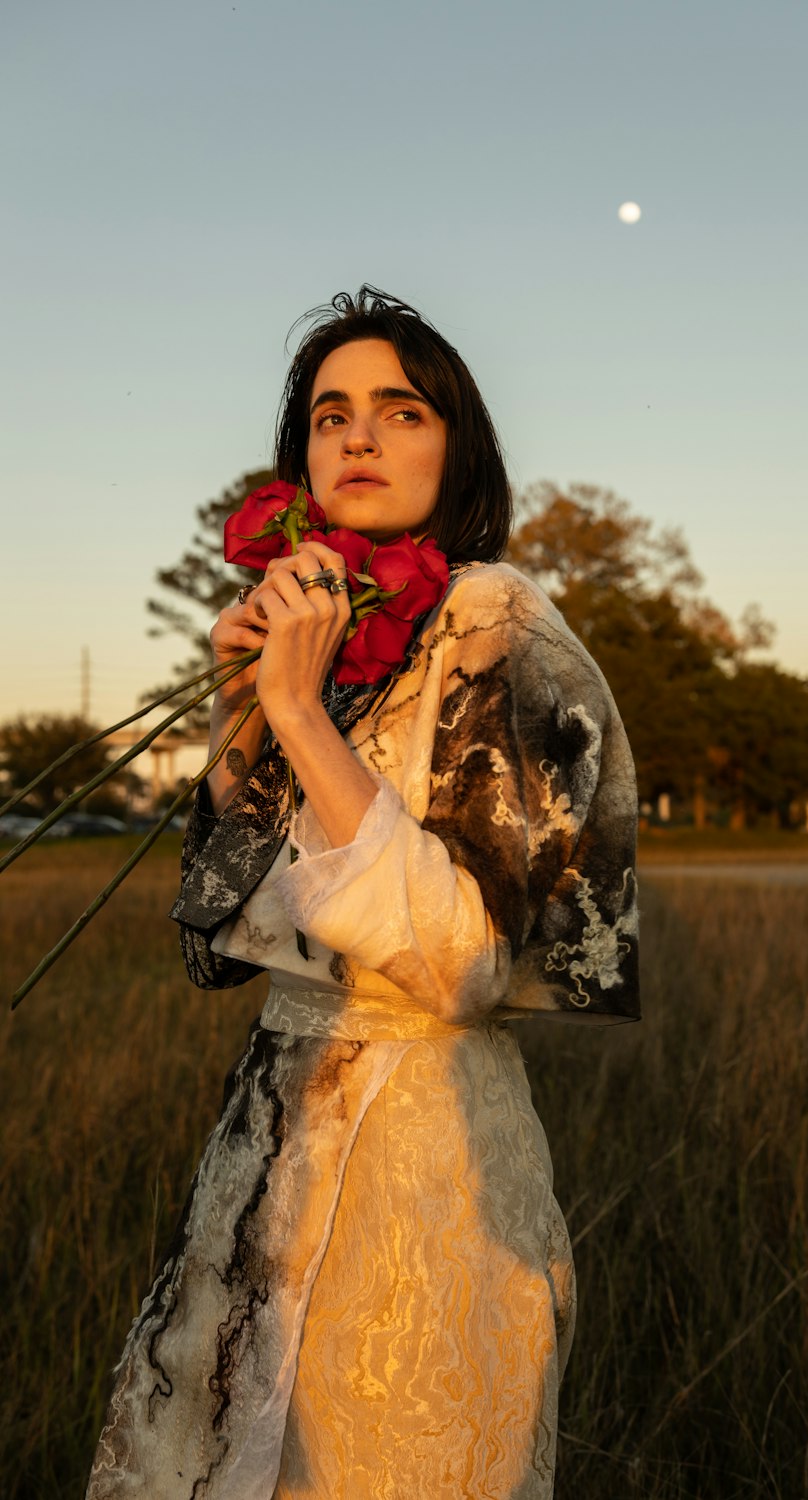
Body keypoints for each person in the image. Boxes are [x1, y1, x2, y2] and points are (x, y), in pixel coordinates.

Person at [87, 287, 639, 1499]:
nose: (358, 436)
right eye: (330, 414)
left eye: (400, 410)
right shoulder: (323, 645)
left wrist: (294, 712)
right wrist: (246, 710)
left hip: (423, 1161)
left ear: (459, 446)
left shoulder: (493, 622)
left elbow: (463, 965)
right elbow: (212, 954)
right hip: (264, 1151)